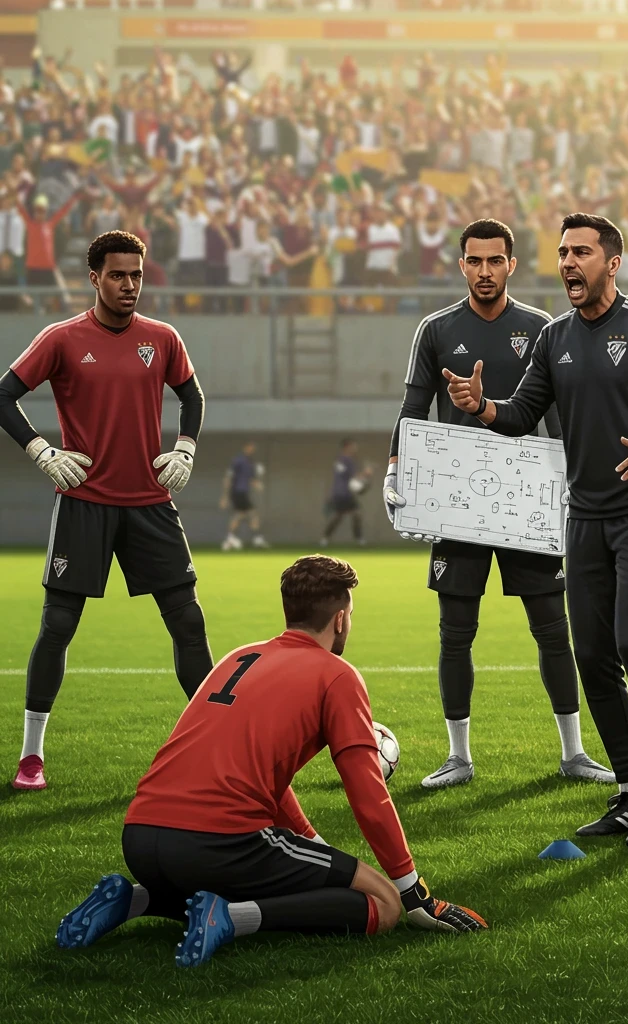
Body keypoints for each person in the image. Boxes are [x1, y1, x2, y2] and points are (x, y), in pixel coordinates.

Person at [55, 556, 486, 968]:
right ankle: (230, 919)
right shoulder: (338, 675)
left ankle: (133, 900)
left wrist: (311, 842)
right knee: (383, 904)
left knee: (255, 869)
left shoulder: (239, 657)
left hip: (140, 836)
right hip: (219, 844)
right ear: (339, 619)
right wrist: (414, 893)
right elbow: (368, 794)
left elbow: (257, 772)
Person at [444, 213, 628, 846]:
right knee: (592, 654)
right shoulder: (554, 338)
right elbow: (521, 415)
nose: (568, 262)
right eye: (564, 252)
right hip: (584, 516)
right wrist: (480, 407)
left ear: (612, 263)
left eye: (582, 252)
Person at [385, 218, 613, 790]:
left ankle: (574, 753)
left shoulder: (541, 329)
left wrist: (567, 478)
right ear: (461, 264)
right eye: (474, 261)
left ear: (511, 264)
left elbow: (557, 414)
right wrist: (395, 469)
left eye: (495, 261)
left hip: (526, 500)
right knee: (455, 631)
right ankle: (458, 757)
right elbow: (413, 408)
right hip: (455, 503)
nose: (484, 271)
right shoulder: (436, 330)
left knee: (552, 628)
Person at [0, 230, 212, 791]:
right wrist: (42, 451)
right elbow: (3, 395)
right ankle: (31, 756)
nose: (129, 285)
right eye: (118, 275)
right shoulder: (61, 338)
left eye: (136, 275)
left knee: (188, 622)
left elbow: (192, 395)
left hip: (150, 503)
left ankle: (218, 745)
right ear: (94, 278)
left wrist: (185, 447)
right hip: (84, 503)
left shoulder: (162, 338)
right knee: (58, 625)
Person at [321, 438, 372, 547]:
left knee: (349, 515)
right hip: (343, 493)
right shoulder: (345, 460)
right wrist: (365, 473)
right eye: (353, 446)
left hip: (345, 493)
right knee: (345, 515)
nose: (355, 448)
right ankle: (326, 538)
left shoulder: (342, 460)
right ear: (346, 447)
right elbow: (351, 477)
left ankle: (326, 539)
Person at [220, 441, 269, 551]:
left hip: (243, 492)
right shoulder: (238, 461)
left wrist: (257, 484)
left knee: (240, 514)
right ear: (245, 447)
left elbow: (250, 479)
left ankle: (230, 538)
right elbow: (228, 478)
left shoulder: (250, 462)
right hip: (238, 492)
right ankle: (256, 538)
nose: (252, 449)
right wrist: (225, 497)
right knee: (251, 514)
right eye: (250, 447)